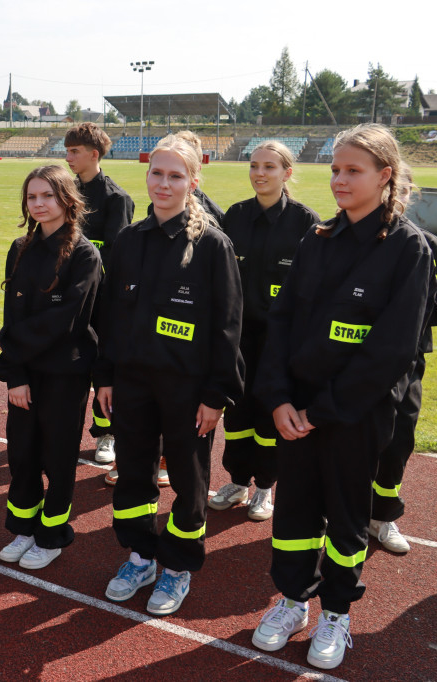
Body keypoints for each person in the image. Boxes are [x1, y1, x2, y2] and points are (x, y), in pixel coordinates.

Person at [251, 124, 433, 670]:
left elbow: (390, 351)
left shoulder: (408, 249)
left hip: (354, 414)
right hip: (295, 410)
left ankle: (335, 611)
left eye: (353, 170)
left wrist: (319, 410)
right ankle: (291, 601)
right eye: (334, 169)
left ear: (385, 176)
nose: (339, 179)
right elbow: (280, 323)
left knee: (347, 517)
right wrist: (280, 398)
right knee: (296, 511)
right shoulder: (318, 238)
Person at [95, 134, 244, 615]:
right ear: (147, 176)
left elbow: (227, 327)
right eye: (157, 173)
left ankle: (177, 565)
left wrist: (217, 394)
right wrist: (106, 377)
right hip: (134, 385)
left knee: (188, 479)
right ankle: (140, 556)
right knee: (134, 474)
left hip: (188, 390)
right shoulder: (129, 241)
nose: (164, 183)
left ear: (193, 182)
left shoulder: (212, 245)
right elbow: (110, 318)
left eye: (175, 176)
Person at [0, 165, 101, 569]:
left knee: (57, 456)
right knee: (22, 454)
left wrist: (15, 354)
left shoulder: (85, 254)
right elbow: (12, 317)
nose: (38, 204)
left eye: (47, 196)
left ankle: (52, 534)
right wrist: (16, 375)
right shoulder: (19, 248)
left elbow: (67, 321)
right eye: (32, 197)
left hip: (64, 376)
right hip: (25, 373)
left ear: (67, 199)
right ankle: (23, 528)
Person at [211, 141, 320, 522]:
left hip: (279, 344)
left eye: (269, 167)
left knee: (268, 416)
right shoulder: (236, 216)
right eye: (254, 165)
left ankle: (264, 487)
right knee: (236, 417)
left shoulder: (307, 223)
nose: (260, 173)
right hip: (236, 340)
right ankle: (238, 481)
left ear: (286, 173)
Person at [368, 175, 437, 554]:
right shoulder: (357, 241)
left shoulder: (429, 245)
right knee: (347, 437)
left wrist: (410, 309)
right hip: (355, 360)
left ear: (408, 195)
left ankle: (382, 516)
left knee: (399, 439)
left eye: (401, 191)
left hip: (407, 362)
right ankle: (338, 510)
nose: (394, 198)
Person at [63, 122, 133, 466]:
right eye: (67, 150)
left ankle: (106, 433)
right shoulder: (64, 190)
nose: (68, 157)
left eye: (74, 151)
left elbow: (116, 260)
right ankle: (67, 429)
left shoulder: (117, 199)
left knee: (105, 370)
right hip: (67, 299)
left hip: (101, 302)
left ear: (94, 154)